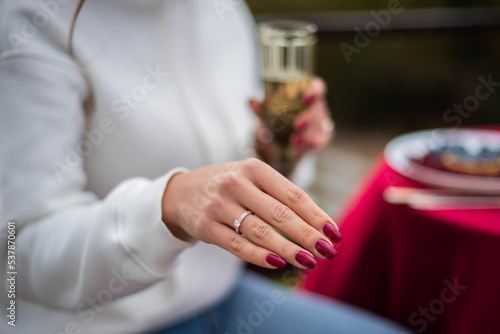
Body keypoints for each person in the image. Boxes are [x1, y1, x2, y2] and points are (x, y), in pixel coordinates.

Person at [0, 1, 411, 333]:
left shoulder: (224, 11)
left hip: (221, 298)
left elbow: (238, 168)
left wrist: (278, 149)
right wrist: (169, 205)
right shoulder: (30, 22)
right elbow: (19, 252)